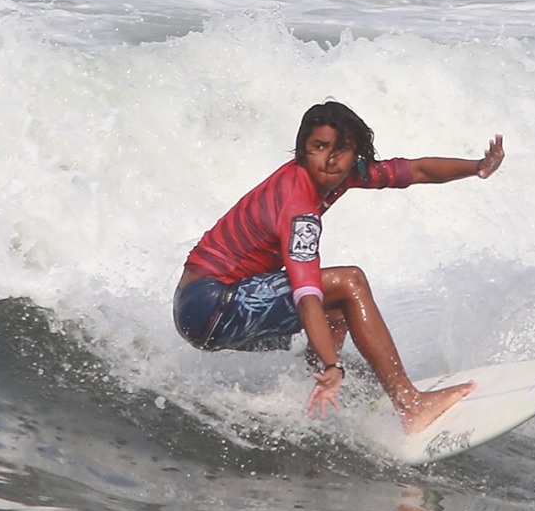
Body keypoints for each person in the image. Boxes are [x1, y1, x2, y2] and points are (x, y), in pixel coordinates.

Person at [174, 101, 505, 434]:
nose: (329, 159)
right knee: (349, 283)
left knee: (337, 310)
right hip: (210, 306)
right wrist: (334, 363)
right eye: (318, 147)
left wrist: (477, 166)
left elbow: (416, 171)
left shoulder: (342, 176)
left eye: (341, 150)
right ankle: (410, 404)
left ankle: (313, 395)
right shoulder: (298, 205)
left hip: (209, 303)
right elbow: (306, 295)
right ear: (303, 149)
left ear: (355, 154)